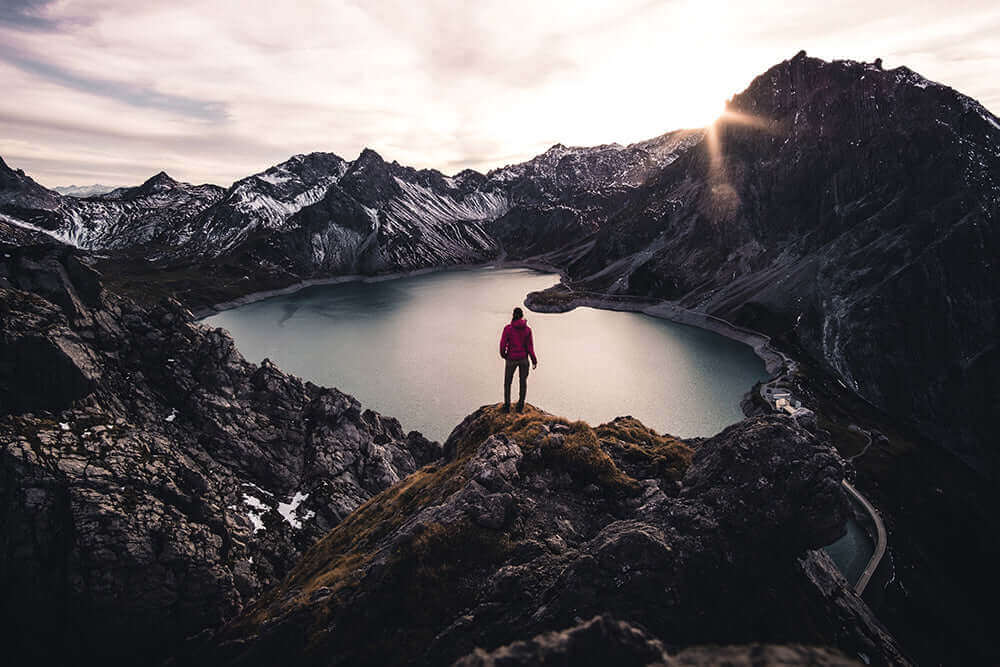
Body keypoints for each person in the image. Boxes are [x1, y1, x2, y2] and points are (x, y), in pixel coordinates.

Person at [499, 306, 538, 412]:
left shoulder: (508, 329)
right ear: (522, 316)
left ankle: (507, 405)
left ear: (513, 315)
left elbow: (503, 344)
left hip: (511, 359)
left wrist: (504, 355)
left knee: (508, 382)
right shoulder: (527, 330)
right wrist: (534, 360)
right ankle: (520, 406)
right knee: (523, 382)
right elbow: (530, 347)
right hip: (524, 360)